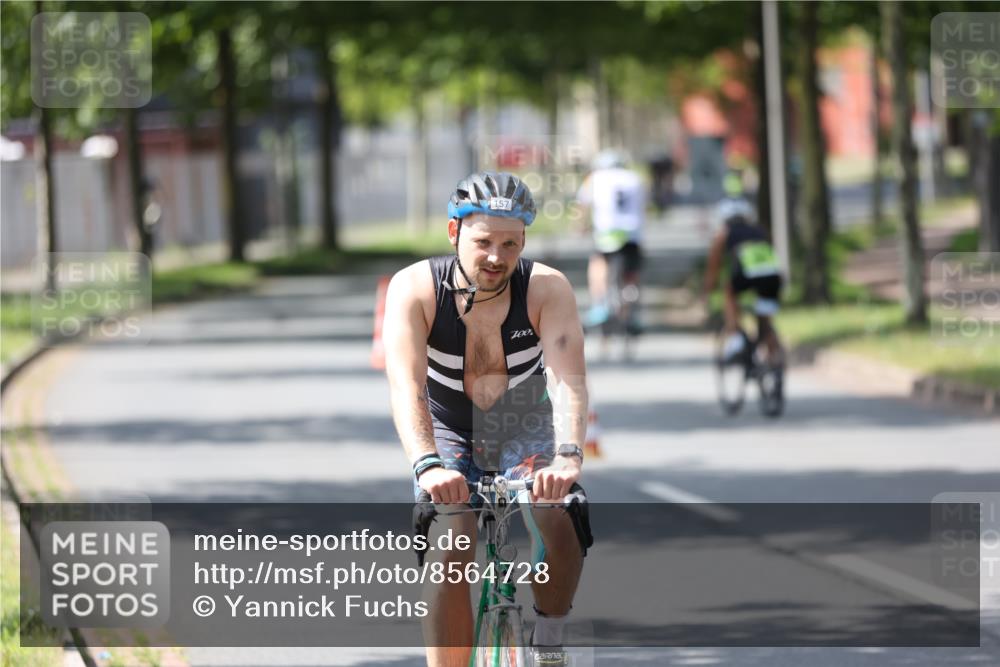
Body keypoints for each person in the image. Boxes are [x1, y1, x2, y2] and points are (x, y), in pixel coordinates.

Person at [382, 171, 590, 667]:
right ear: (454, 233)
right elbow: (406, 385)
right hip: (449, 428)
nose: (496, 257)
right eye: (483, 242)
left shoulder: (546, 289)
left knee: (560, 512)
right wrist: (427, 464)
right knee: (452, 540)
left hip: (523, 422)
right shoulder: (414, 289)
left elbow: (567, 381)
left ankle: (550, 640)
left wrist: (568, 456)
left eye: (510, 244)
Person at [703, 196, 784, 364]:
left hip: (746, 274)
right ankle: (774, 359)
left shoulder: (723, 233)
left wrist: (709, 290)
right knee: (764, 319)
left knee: (729, 292)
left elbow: (714, 266)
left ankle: (735, 339)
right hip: (772, 276)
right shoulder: (760, 231)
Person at [576, 150, 647, 331]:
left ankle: (599, 305)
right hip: (632, 233)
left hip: (607, 232)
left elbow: (582, 206)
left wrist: (581, 226)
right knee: (632, 270)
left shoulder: (594, 178)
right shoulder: (636, 178)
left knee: (598, 262)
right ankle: (633, 308)